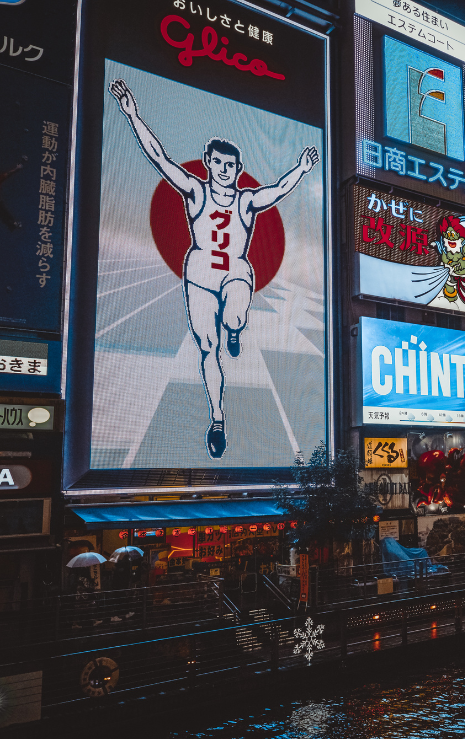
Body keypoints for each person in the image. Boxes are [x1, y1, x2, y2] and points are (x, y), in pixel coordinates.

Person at [108, 78, 319, 459]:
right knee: (208, 347)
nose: (224, 169)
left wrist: (301, 170)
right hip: (200, 275)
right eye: (218, 163)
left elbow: (278, 190)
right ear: (209, 163)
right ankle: (218, 417)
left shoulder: (247, 200)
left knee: (235, 314)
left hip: (236, 270)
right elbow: (160, 158)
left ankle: (236, 327)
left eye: (231, 164)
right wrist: (133, 116)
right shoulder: (195, 191)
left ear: (239, 168)